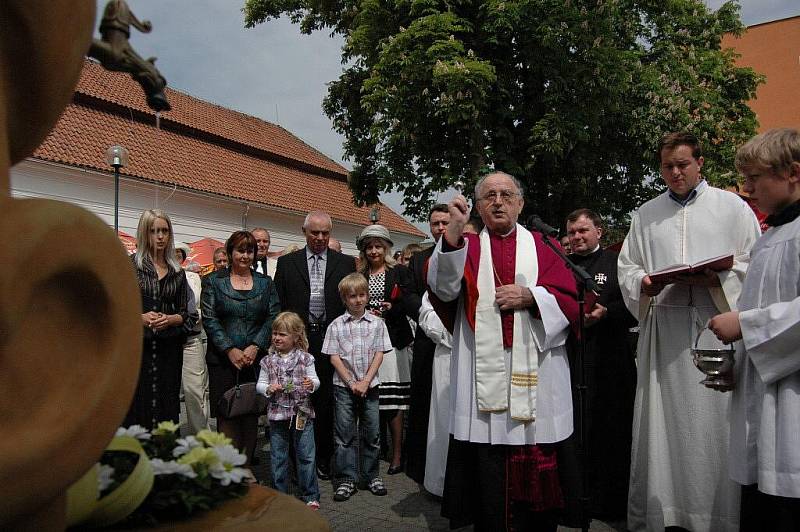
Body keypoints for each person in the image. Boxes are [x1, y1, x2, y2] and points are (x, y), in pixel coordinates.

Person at [618, 132, 762, 532]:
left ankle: (720, 515)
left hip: (716, 329)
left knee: (714, 426)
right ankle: (667, 513)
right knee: (662, 429)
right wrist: (644, 284)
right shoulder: (646, 213)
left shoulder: (732, 207)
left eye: (683, 164)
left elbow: (755, 264)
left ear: (700, 163)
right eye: (668, 167)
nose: (676, 173)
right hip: (664, 330)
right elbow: (627, 267)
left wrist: (717, 279)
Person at [428, 171, 579, 530]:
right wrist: (452, 234)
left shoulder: (545, 246)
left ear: (521, 203)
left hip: (536, 373)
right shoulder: (467, 245)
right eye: (489, 196)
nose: (498, 201)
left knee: (535, 447)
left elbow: (573, 299)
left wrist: (532, 297)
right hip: (483, 373)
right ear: (478, 207)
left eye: (506, 194)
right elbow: (442, 290)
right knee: (488, 462)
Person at [707, 128, 800, 532]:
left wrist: (744, 323)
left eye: (754, 178)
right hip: (762, 394)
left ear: (793, 173)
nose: (746, 189)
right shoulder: (771, 236)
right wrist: (738, 364)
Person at [565, 208, 637, 520]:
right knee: (575, 434)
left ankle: (610, 504)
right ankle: (574, 503)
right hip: (572, 360)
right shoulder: (561, 264)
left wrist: (606, 313)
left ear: (599, 231)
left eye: (583, 230)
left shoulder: (617, 263)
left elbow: (635, 307)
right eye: (572, 232)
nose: (577, 237)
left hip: (611, 362)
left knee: (611, 433)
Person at [274, 211, 357, 480]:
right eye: (315, 233)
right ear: (304, 231)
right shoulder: (287, 264)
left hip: (331, 341)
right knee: (295, 398)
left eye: (325, 233)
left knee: (325, 401)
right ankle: (295, 461)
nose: (320, 238)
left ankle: (323, 458)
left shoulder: (345, 263)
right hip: (299, 339)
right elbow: (280, 304)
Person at [203, 230, 280, 468]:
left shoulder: (265, 283)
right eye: (240, 250)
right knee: (227, 414)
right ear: (230, 252)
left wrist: (256, 347)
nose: (245, 256)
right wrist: (230, 349)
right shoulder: (214, 281)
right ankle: (227, 468)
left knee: (250, 414)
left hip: (255, 360)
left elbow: (273, 315)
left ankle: (245, 468)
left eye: (249, 251)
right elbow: (209, 317)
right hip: (223, 360)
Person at [322, 273, 393, 501]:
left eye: (362, 295)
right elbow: (333, 357)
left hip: (370, 385)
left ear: (367, 296)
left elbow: (380, 354)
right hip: (344, 387)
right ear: (344, 298)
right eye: (352, 296)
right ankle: (346, 479)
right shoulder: (336, 325)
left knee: (372, 433)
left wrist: (364, 381)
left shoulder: (377, 323)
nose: (357, 300)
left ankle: (371, 475)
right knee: (344, 435)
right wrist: (352, 382)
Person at [126, 209, 194, 429]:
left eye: (165, 230)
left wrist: (171, 318)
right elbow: (116, 307)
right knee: (138, 405)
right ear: (145, 233)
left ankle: (165, 458)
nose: (160, 236)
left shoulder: (177, 272)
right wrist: (140, 317)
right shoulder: (130, 266)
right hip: (138, 348)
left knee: (167, 404)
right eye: (154, 231)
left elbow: (188, 313)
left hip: (168, 348)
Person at [356, 224, 414, 475]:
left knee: (393, 402)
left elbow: (411, 300)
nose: (373, 251)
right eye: (369, 247)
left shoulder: (399, 272)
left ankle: (397, 454)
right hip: (367, 342)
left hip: (393, 341)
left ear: (387, 248)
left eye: (378, 246)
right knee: (372, 399)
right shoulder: (359, 274)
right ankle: (374, 449)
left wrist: (394, 308)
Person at [404, 203, 450, 484]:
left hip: (458, 342)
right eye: (436, 224)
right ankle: (422, 467)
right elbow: (408, 294)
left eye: (445, 223)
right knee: (423, 401)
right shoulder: (420, 259)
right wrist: (428, 317)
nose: (441, 228)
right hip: (427, 340)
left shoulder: (469, 253)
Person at [256, 311, 321, 510]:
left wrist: (312, 384)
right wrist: (267, 388)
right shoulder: (267, 361)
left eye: (282, 334)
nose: (277, 337)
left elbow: (316, 381)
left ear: (296, 336)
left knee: (306, 455)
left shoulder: (306, 358)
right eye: (275, 333)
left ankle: (310, 494)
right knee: (278, 455)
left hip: (302, 413)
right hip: (277, 415)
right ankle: (279, 494)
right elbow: (260, 384)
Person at [417, 291, 452, 497]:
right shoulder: (445, 266)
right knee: (444, 418)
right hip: (450, 351)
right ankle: (443, 483)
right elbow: (428, 312)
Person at [176, 242, 210, 434]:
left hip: (192, 338)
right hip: (168, 339)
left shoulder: (193, 277)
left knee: (196, 391)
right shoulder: (159, 274)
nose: (176, 257)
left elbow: (204, 307)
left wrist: (192, 316)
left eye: (179, 254)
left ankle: (202, 437)